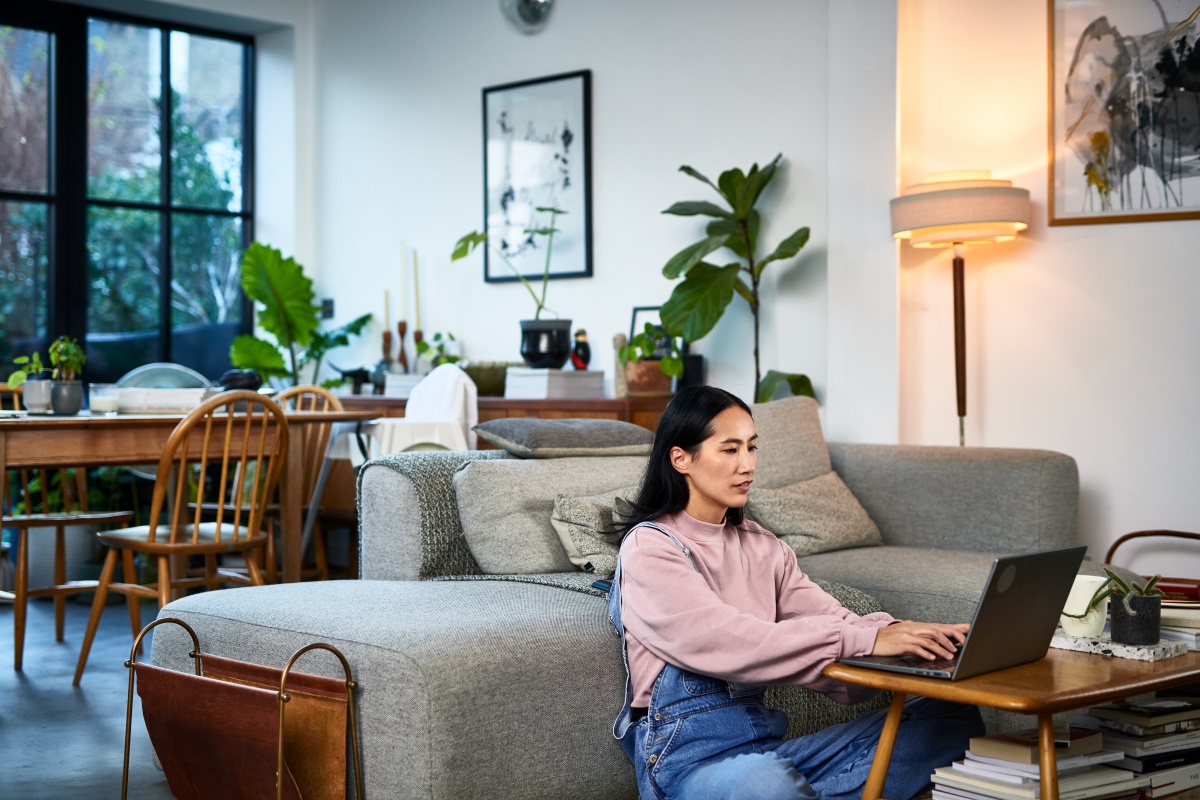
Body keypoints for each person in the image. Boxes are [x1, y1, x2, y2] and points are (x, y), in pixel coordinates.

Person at [609, 385, 984, 800]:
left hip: (770, 755)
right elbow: (728, 640)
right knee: (764, 783)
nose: (747, 465)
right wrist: (865, 638)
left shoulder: (762, 546)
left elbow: (831, 619)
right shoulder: (650, 547)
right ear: (681, 458)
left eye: (752, 448)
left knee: (950, 720)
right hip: (688, 768)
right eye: (729, 450)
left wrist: (908, 639)